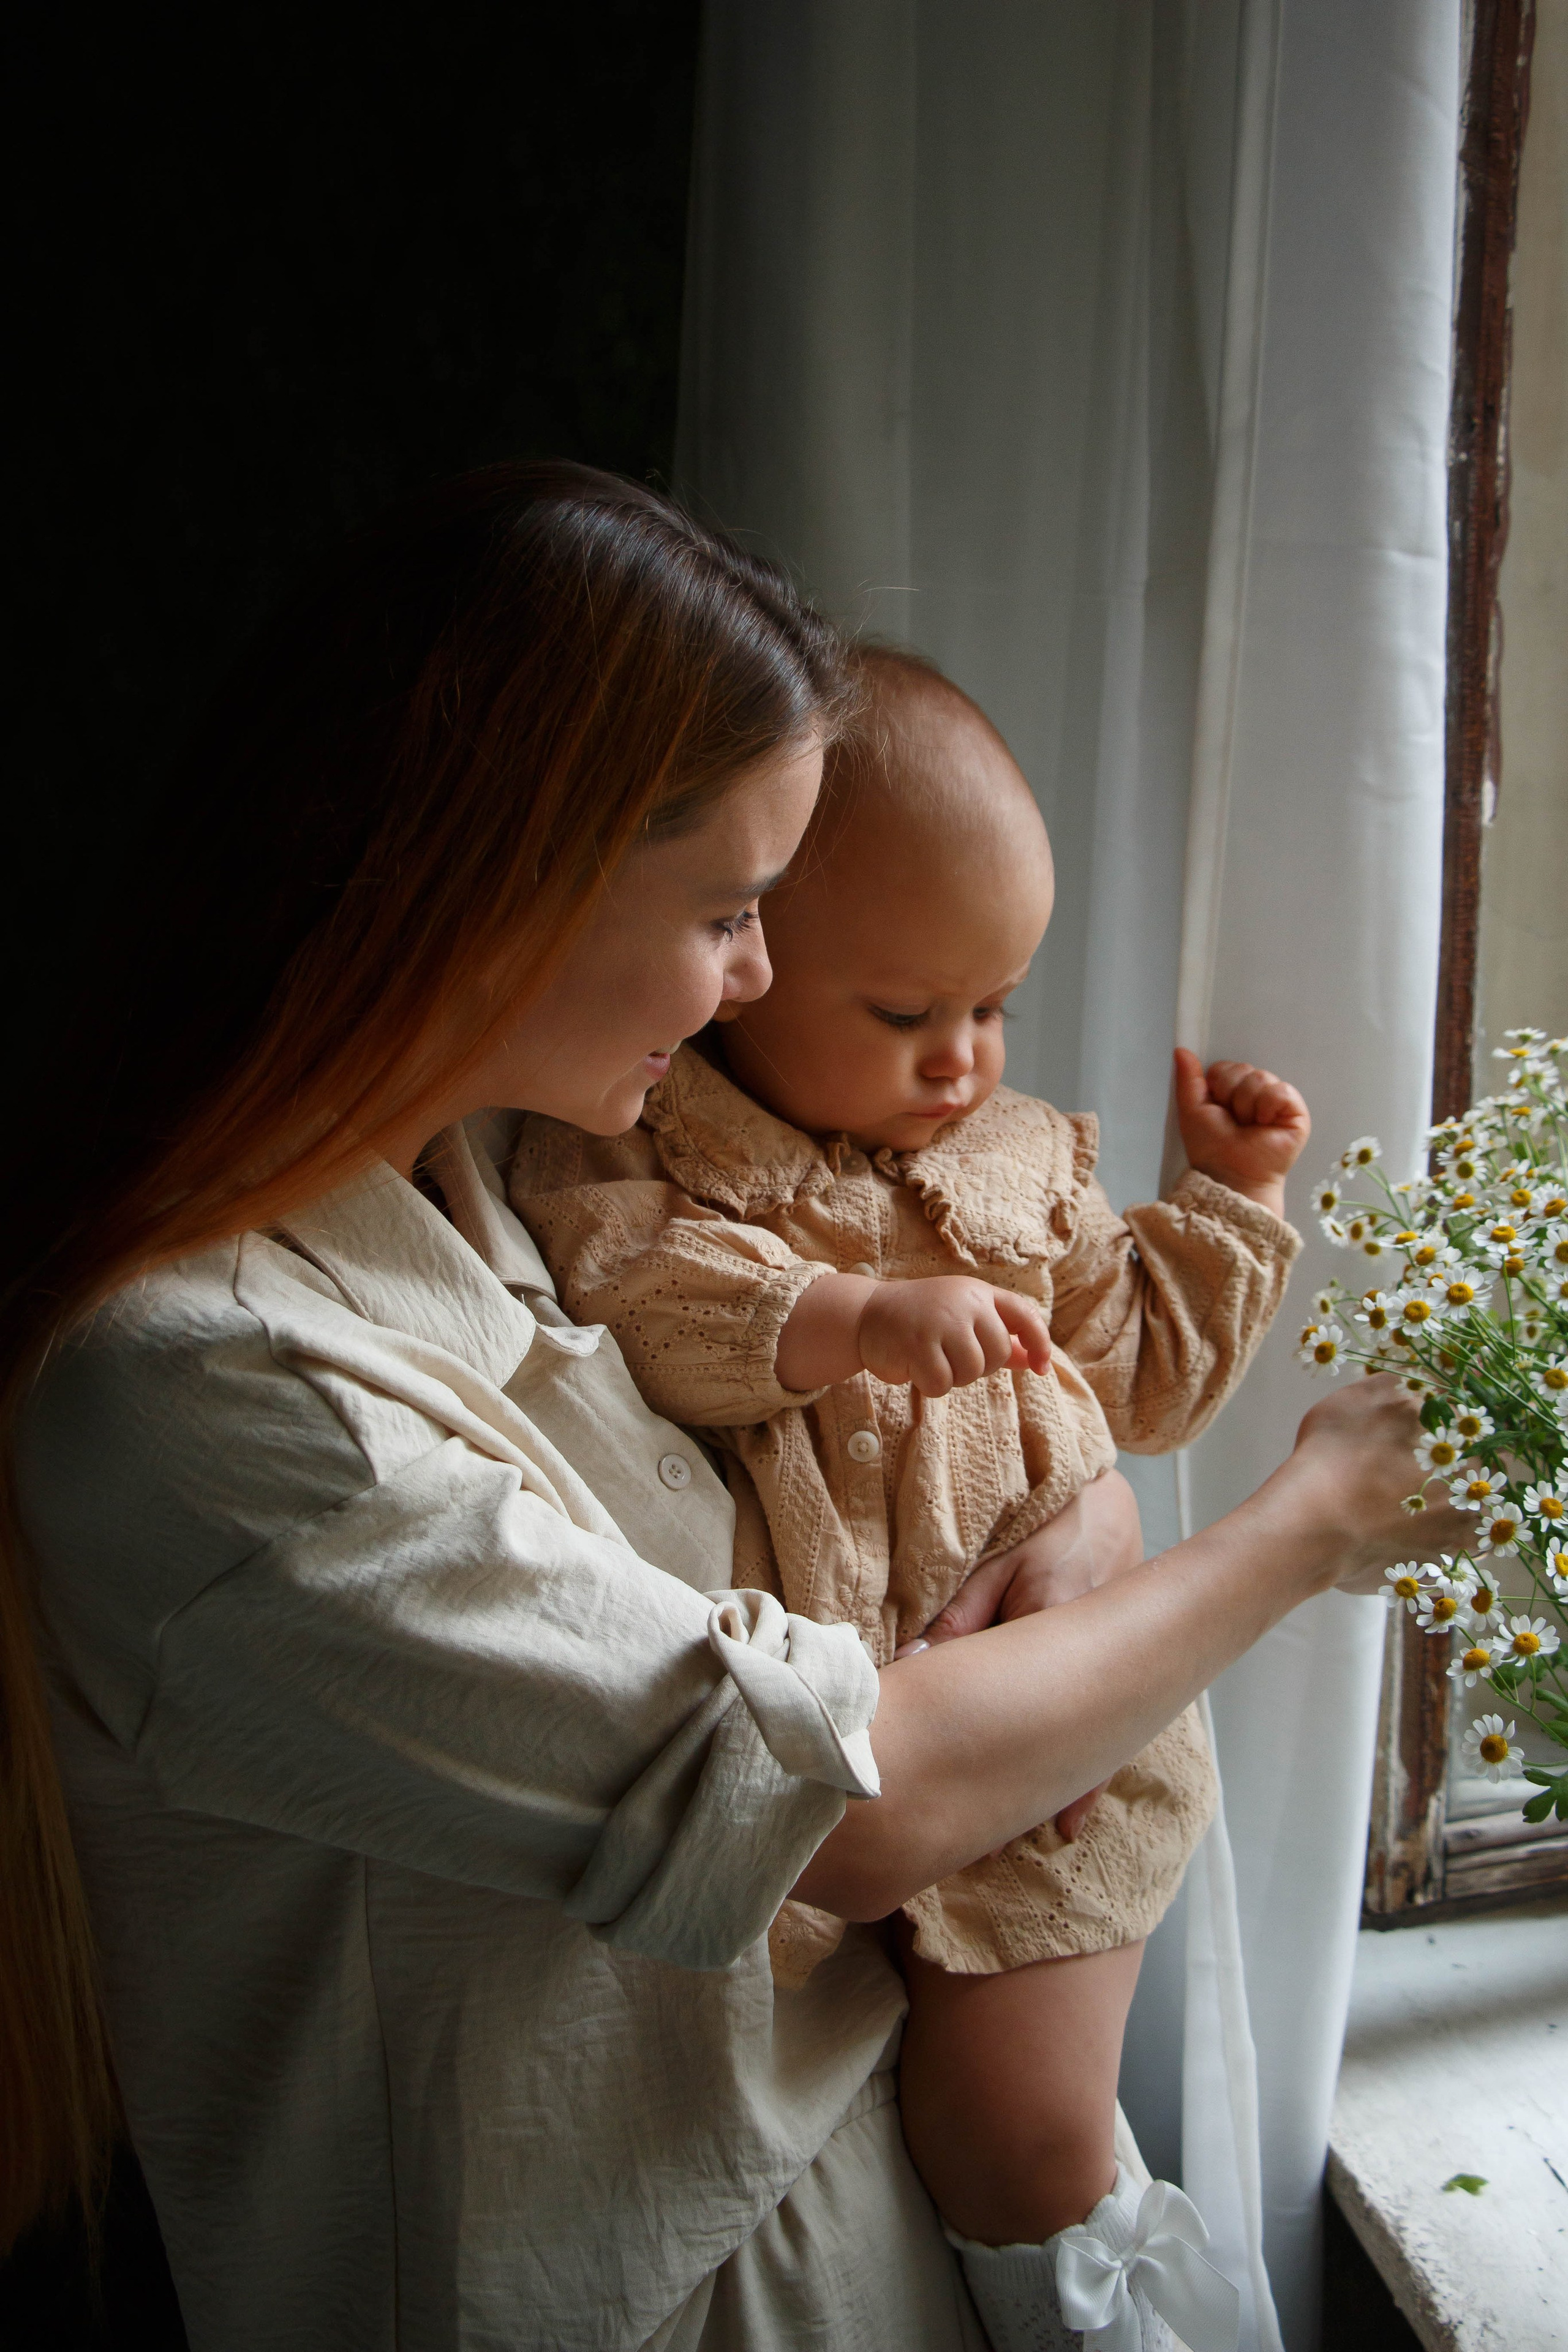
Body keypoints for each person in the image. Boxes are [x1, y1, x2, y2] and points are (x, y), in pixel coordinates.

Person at [0, 464, 1469, 2352]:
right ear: (503, 876)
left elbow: (824, 1533)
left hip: (867, 2227)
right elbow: (839, 1800)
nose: (755, 980)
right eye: (730, 909)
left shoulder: (507, 1197)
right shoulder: (200, 1395)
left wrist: (1080, 1513)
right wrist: (1311, 1524)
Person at [506, 646, 1311, 2348]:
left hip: (1068, 1749)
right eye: (906, 1014)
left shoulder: (1016, 1163)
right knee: (875, 2078)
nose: (963, 1060)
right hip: (856, 1761)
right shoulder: (644, 1144)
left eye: (994, 1005)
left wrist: (1226, 1200)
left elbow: (1144, 1383)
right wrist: (847, 1317)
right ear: (743, 960)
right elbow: (631, 1294)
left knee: (1021, 2137)